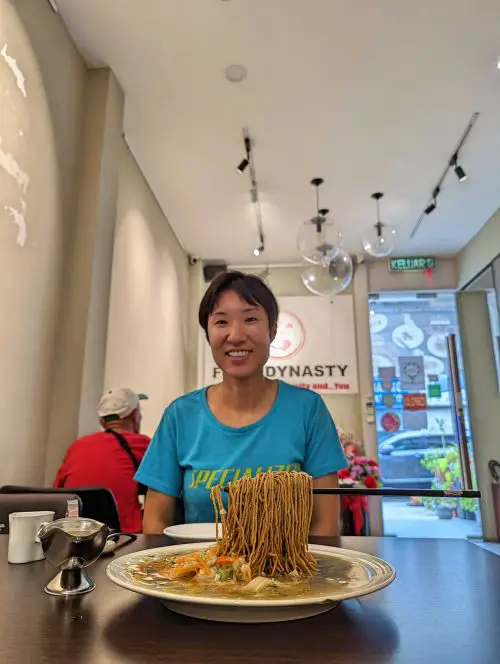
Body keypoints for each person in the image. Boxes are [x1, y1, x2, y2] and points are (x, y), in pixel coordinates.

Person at [137, 271, 347, 535]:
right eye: (221, 322)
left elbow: (324, 524)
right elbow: (156, 522)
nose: (235, 335)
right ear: (208, 334)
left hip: (288, 573)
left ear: (272, 331)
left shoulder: (308, 410)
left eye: (250, 319)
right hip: (200, 572)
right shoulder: (180, 415)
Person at [54, 388, 150, 533]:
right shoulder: (142, 444)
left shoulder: (77, 446)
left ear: (103, 421)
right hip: (124, 537)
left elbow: (58, 491)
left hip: (75, 535)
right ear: (135, 415)